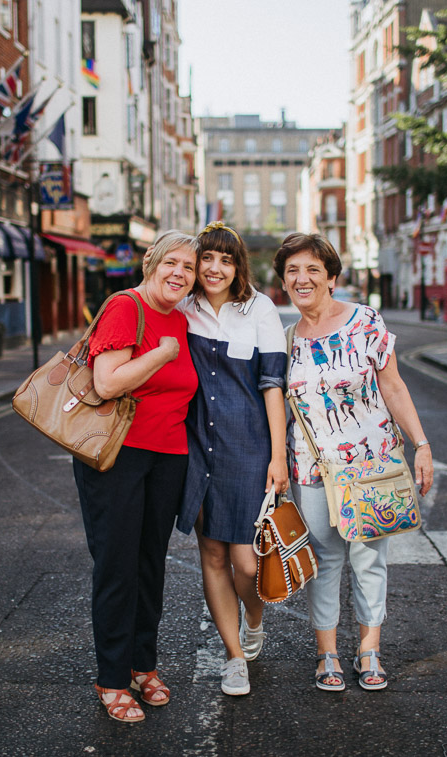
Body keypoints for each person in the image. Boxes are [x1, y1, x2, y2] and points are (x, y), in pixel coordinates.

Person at [274, 232, 434, 693]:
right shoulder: (287, 340)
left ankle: (369, 650)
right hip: (312, 469)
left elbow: (393, 386)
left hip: (373, 465)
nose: (302, 279)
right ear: (284, 281)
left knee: (369, 560)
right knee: (323, 562)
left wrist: (420, 443)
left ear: (331, 277)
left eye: (312, 270)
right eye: (292, 272)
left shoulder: (365, 321)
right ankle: (327, 654)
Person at [73, 230, 199, 723]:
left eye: (188, 268)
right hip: (117, 456)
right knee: (117, 565)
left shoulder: (181, 319)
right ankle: (112, 677)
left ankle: (143, 666)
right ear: (150, 262)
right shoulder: (127, 307)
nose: (179, 274)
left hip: (168, 457)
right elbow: (106, 383)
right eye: (172, 262)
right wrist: (161, 354)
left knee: (150, 565)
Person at [176, 221, 288, 697]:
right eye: (207, 258)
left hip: (249, 449)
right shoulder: (183, 309)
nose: (215, 267)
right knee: (213, 555)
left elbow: (272, 386)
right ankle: (234, 657)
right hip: (198, 447)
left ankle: (254, 622)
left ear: (238, 265)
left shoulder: (259, 308)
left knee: (248, 562)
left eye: (225, 259)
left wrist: (278, 456)